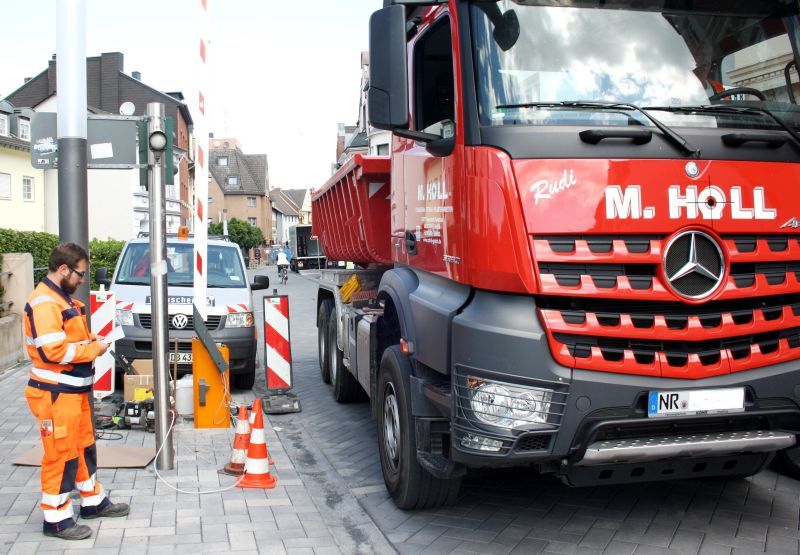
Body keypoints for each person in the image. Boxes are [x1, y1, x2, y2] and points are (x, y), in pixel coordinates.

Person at [23, 243, 130, 540]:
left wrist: (89, 339)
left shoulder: (60, 299)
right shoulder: (45, 303)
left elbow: (68, 339)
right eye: (80, 274)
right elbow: (52, 351)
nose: (83, 280)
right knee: (61, 454)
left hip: (71, 392)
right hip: (55, 394)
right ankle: (56, 519)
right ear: (63, 270)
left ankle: (93, 500)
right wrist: (93, 347)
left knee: (83, 446)